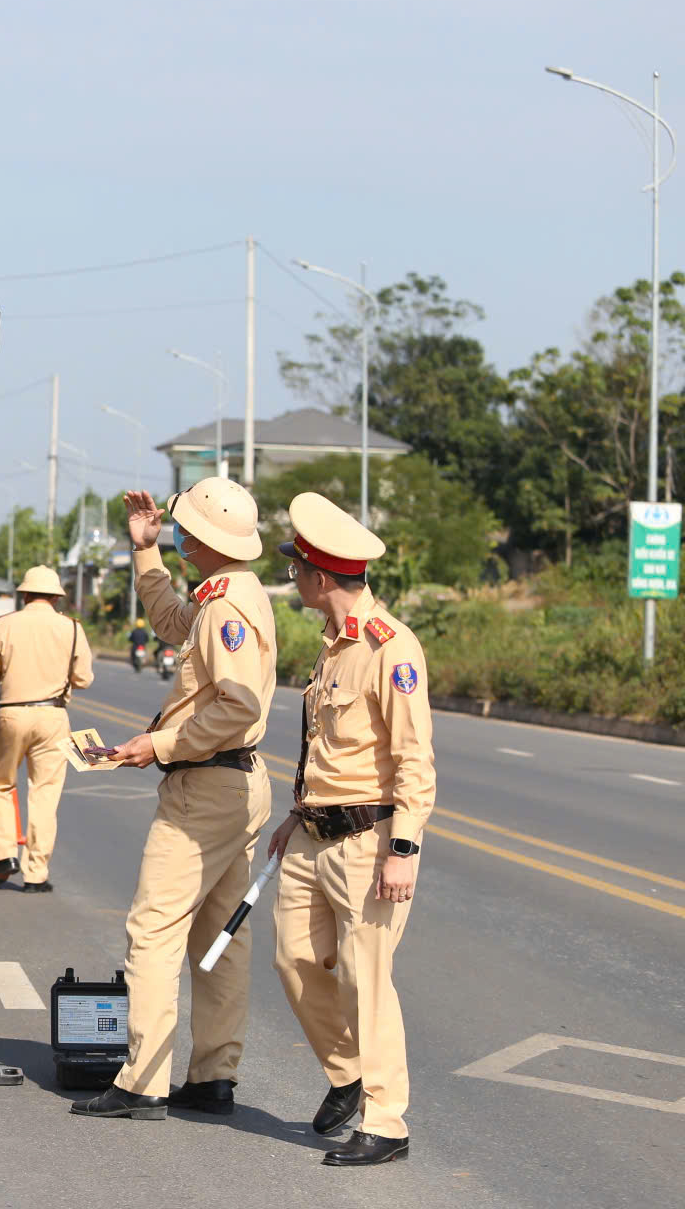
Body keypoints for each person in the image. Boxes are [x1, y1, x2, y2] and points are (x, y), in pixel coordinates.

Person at [71, 478, 275, 1121]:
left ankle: (142, 1082)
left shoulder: (227, 609)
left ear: (208, 539)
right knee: (219, 936)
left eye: (184, 529)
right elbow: (169, 624)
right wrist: (145, 551)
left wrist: (159, 745)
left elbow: (237, 706)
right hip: (233, 785)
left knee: (153, 931)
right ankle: (214, 1076)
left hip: (205, 788)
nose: (180, 535)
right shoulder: (229, 595)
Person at [266, 491, 435, 1167]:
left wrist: (403, 849)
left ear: (319, 576)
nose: (292, 578)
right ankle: (347, 1073)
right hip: (312, 833)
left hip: (369, 840)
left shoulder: (391, 648)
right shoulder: (333, 646)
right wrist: (295, 813)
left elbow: (413, 758)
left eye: (297, 568)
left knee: (368, 979)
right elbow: (325, 746)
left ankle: (386, 1121)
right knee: (294, 960)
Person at [0, 565, 93, 892]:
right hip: (53, 716)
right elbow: (84, 679)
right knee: (45, 794)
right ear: (57, 597)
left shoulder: (5, 624)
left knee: (0, 786)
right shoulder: (71, 628)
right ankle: (35, 874)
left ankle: (3, 856)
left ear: (24, 594)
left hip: (12, 714)